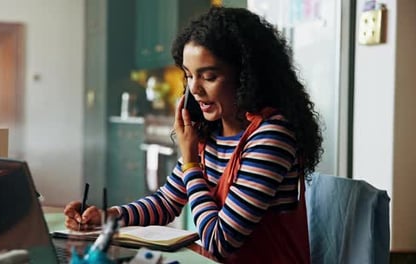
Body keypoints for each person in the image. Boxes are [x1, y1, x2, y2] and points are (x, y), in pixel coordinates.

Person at [64, 6, 322, 263]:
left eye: (209, 77)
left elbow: (219, 242)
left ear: (246, 77)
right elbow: (167, 202)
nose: (194, 89)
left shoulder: (271, 136)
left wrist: (190, 162)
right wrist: (107, 217)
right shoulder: (210, 134)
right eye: (188, 76)